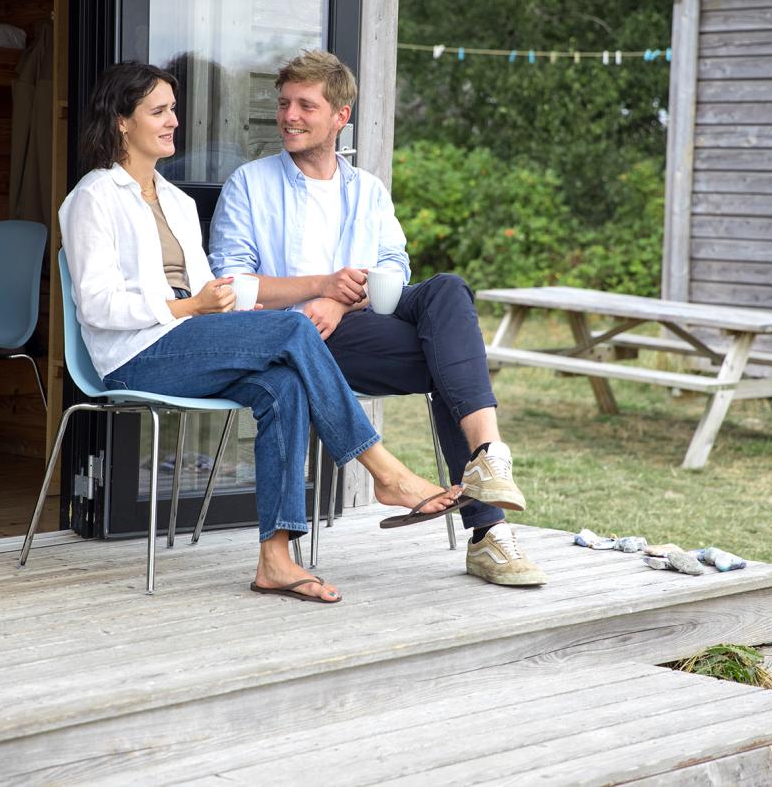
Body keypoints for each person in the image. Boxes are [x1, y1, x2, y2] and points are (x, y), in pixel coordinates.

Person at [59, 61, 465, 604]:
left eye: (174, 109)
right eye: (159, 112)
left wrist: (231, 301)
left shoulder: (176, 202)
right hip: (134, 353)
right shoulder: (93, 198)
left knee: (285, 384)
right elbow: (98, 305)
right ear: (121, 124)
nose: (174, 121)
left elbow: (222, 291)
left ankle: (275, 558)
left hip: (190, 339)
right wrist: (187, 308)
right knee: (295, 334)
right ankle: (383, 471)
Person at [208, 50, 546, 587]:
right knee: (452, 364)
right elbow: (230, 287)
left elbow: (394, 266)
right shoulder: (250, 185)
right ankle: (489, 534)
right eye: (284, 104)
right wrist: (318, 289)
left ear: (341, 116)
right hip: (297, 338)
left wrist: (343, 298)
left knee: (447, 291)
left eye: (306, 105)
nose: (290, 116)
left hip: (360, 319)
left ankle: (488, 455)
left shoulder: (366, 189)